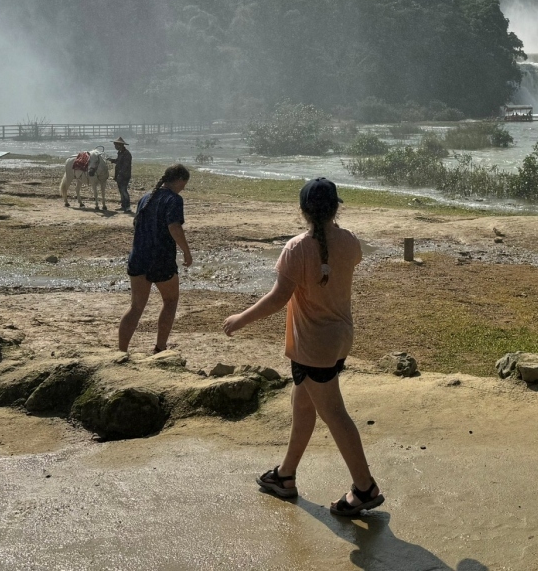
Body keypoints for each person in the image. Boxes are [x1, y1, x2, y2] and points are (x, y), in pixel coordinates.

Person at [222, 178, 385, 517]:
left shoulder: (297, 248)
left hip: (313, 346)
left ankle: (365, 488)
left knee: (335, 415)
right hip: (337, 339)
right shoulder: (350, 242)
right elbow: (331, 269)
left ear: (303, 211)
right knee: (303, 409)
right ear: (337, 207)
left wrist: (240, 318)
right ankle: (285, 476)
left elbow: (279, 298)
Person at [119, 163, 192, 353]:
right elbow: (174, 227)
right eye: (184, 184)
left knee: (136, 307)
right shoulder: (174, 200)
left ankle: (121, 351)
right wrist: (186, 251)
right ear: (179, 180)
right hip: (160, 259)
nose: (184, 187)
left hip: (138, 257)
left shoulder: (145, 198)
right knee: (170, 300)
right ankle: (160, 348)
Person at [107, 137, 133, 213]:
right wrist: (112, 160)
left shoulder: (126, 154)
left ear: (120, 145)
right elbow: (118, 161)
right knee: (121, 191)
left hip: (124, 176)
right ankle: (123, 206)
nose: (115, 147)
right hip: (119, 175)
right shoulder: (121, 152)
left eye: (116, 145)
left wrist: (120, 175)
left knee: (124, 190)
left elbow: (125, 166)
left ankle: (127, 207)